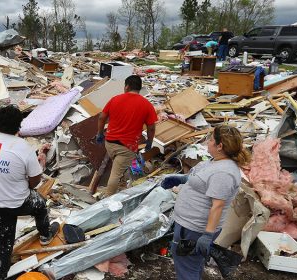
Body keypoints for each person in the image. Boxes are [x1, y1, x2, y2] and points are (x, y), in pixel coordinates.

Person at [0, 106, 59, 280]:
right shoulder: (23, 147)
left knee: (5, 241)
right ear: (19, 126)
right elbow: (35, 180)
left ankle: (0, 274)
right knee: (40, 204)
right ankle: (45, 235)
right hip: (19, 202)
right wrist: (21, 184)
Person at [163, 125, 250, 280]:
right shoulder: (215, 162)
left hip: (195, 229)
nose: (207, 143)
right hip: (188, 225)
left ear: (220, 146)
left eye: (210, 140)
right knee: (192, 264)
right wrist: (183, 179)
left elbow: (218, 205)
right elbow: (204, 182)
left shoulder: (224, 173)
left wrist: (207, 235)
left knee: (186, 268)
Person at [95, 75, 158, 197]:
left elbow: (102, 117)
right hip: (127, 147)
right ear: (139, 88)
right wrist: (150, 142)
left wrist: (99, 133)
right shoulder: (146, 104)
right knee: (116, 173)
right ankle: (108, 200)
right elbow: (151, 127)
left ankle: (122, 184)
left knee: (120, 166)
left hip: (110, 142)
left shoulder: (115, 99)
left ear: (127, 86)